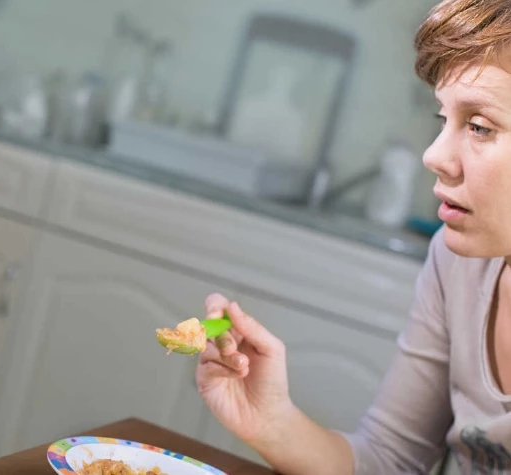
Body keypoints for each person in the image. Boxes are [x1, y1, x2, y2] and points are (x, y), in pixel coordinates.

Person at [196, 1, 511, 473]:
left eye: (480, 126)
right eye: (443, 120)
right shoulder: (456, 263)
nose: (434, 155)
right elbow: (389, 459)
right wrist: (271, 423)